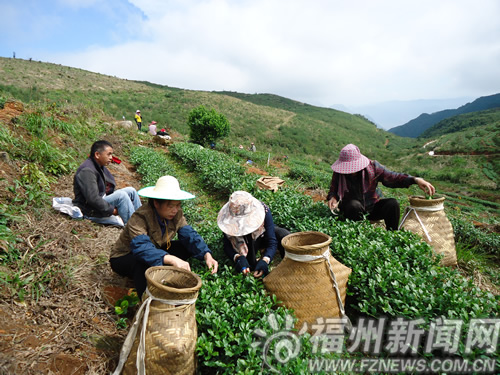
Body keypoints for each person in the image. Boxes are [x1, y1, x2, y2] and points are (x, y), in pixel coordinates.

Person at [110, 176, 218, 296]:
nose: (175, 210)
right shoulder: (140, 218)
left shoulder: (176, 214)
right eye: (170, 206)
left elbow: (189, 235)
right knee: (142, 263)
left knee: (185, 247)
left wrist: (207, 255)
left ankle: (164, 270)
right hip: (126, 256)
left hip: (156, 249)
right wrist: (172, 259)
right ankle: (147, 299)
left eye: (177, 205)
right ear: (156, 203)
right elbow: (141, 248)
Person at [327, 144, 435, 231]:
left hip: (372, 207)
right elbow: (334, 189)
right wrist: (333, 198)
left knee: (392, 204)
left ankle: (392, 234)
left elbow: (393, 177)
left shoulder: (373, 168)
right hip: (352, 210)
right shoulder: (339, 173)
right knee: (353, 205)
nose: (349, 171)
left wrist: (414, 180)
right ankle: (355, 232)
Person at [217, 191, 290, 278]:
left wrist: (265, 260)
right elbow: (227, 245)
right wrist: (237, 257)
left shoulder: (264, 210)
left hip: (261, 234)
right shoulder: (227, 220)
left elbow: (272, 240)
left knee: (284, 235)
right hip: (242, 239)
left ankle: (287, 265)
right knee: (250, 261)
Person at [73, 140, 142, 227]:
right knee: (121, 196)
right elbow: (93, 199)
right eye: (108, 154)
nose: (111, 157)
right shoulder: (87, 171)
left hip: (101, 199)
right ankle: (134, 227)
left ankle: (142, 220)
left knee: (131, 191)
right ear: (97, 155)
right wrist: (112, 210)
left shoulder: (98, 166)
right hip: (89, 209)